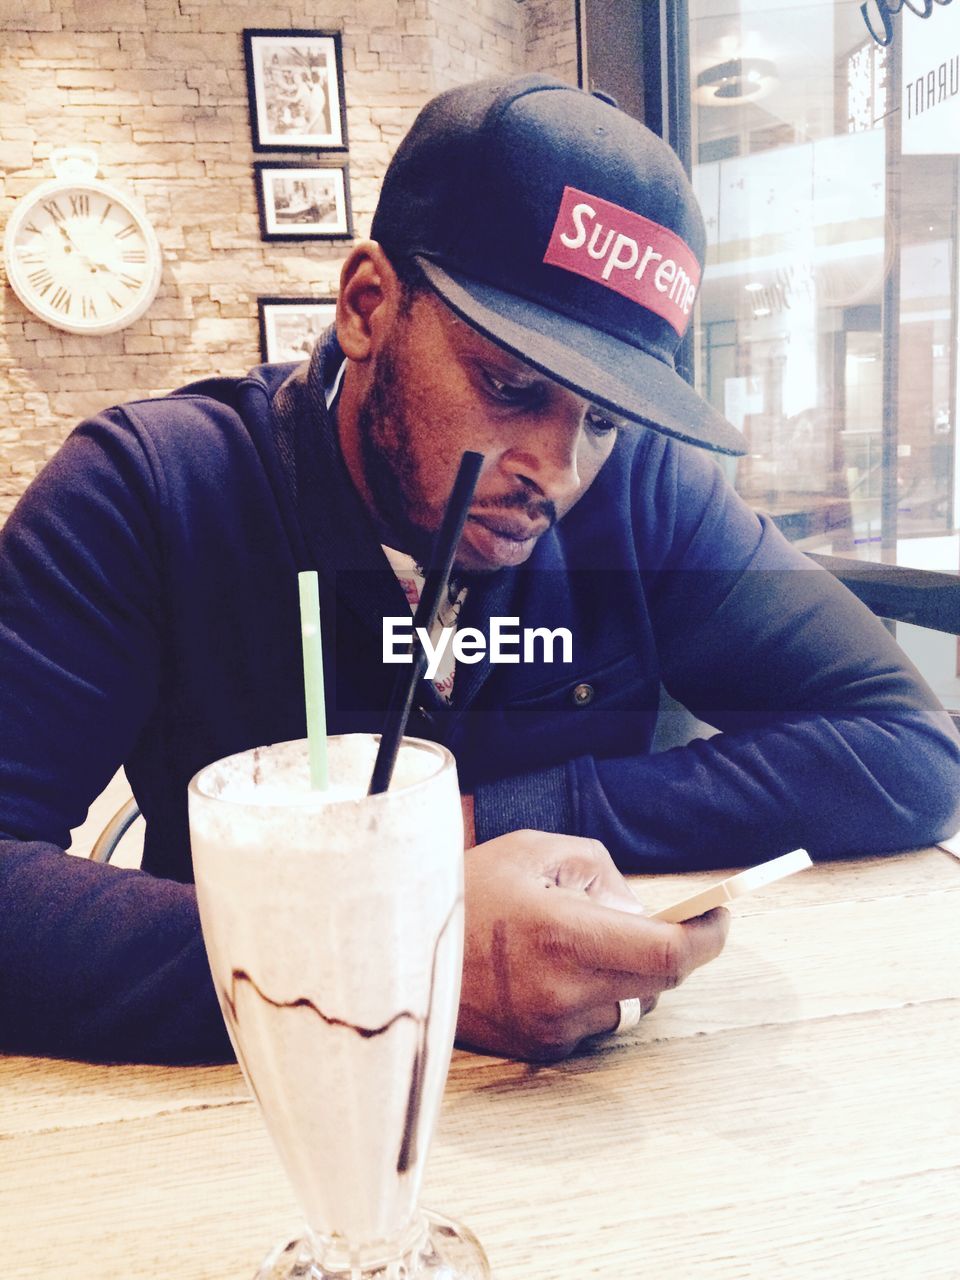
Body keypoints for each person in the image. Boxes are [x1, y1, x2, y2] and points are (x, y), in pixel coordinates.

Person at [1, 75, 957, 1066]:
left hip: (591, 1113)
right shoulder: (153, 491)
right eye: (508, 386)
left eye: (602, 416)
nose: (556, 469)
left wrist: (500, 816)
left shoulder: (646, 491)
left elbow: (911, 748)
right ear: (369, 304)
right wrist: (400, 951)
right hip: (246, 1098)